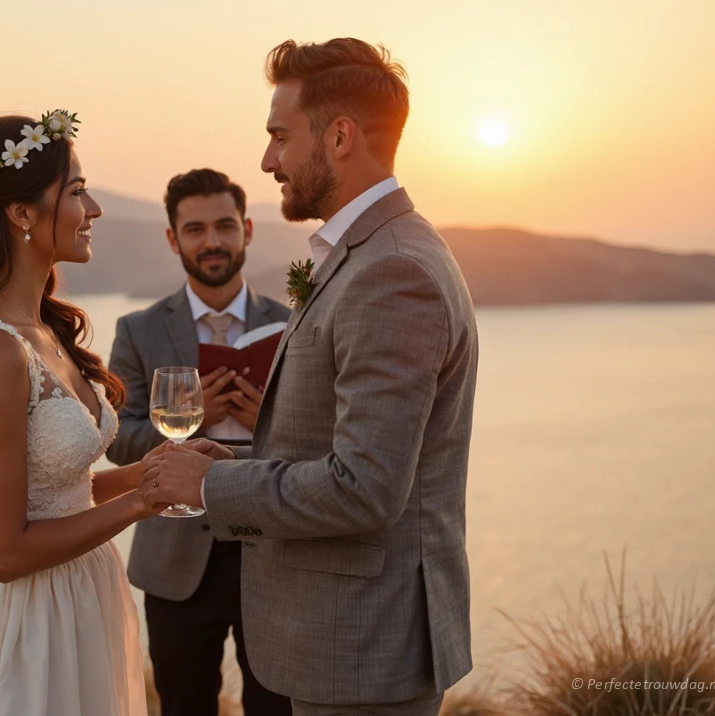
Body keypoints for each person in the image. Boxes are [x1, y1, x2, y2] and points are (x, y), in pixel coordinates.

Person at [142, 39, 480, 716]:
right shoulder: (367, 256)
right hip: (341, 643)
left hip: (362, 650)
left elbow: (363, 491)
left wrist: (209, 484)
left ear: (340, 135)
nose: (268, 161)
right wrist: (235, 454)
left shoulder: (393, 272)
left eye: (278, 137)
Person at [0, 111, 162, 716]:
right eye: (76, 192)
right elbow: (7, 552)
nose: (94, 208)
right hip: (25, 629)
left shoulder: (41, 329)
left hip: (81, 600)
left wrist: (151, 474)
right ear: (20, 212)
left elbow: (58, 494)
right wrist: (142, 504)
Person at [106, 168, 293, 716]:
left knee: (276, 708)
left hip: (275, 549)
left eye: (224, 226)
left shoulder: (295, 322)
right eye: (194, 229)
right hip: (176, 557)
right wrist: (195, 417)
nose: (212, 242)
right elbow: (117, 438)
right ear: (173, 238)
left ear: (247, 230)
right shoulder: (137, 330)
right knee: (184, 706)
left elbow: (322, 441)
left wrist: (270, 422)